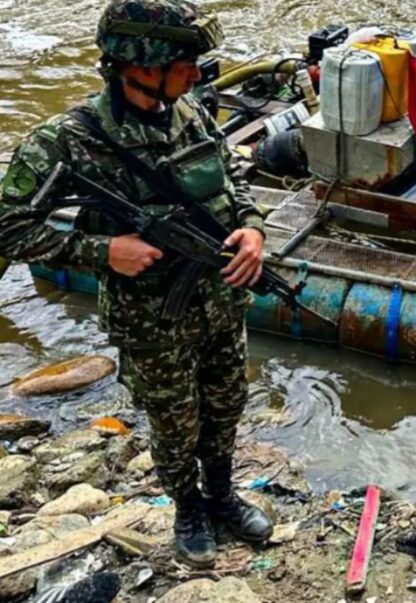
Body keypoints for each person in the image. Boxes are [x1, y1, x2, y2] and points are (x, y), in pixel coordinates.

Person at [0, 0, 273, 567]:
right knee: (174, 420)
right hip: (151, 320)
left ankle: (223, 495)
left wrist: (252, 228)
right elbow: (9, 227)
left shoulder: (189, 111)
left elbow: (232, 176)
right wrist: (102, 251)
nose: (197, 74)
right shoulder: (67, 140)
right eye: (184, 63)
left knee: (226, 403)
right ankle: (188, 509)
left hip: (221, 300)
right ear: (142, 65)